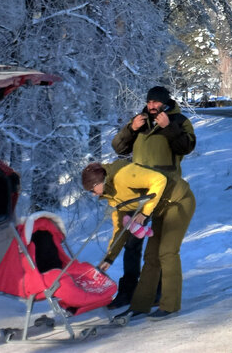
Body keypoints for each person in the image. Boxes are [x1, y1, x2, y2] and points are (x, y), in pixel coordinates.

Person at [108, 85, 195, 309]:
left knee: (158, 247)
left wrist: (168, 128)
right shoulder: (140, 121)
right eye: (149, 102)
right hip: (138, 192)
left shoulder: (180, 121)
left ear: (165, 102)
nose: (152, 106)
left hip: (164, 192)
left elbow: (186, 147)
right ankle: (127, 291)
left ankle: (156, 291)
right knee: (131, 243)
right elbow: (119, 148)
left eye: (156, 103)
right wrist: (130, 128)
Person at [81, 159, 195, 320]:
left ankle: (170, 305)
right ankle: (140, 306)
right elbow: (120, 229)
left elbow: (159, 180)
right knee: (151, 256)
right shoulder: (112, 196)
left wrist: (145, 213)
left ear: (99, 182)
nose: (93, 194)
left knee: (167, 252)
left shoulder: (124, 175)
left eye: (92, 189)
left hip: (179, 200)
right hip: (161, 210)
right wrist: (110, 257)